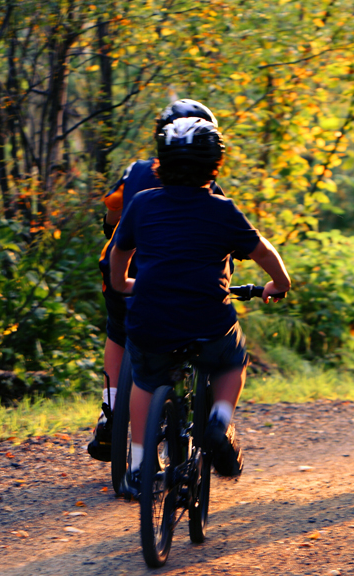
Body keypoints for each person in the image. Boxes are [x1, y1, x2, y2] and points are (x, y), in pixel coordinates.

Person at [108, 117, 291, 496]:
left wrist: (122, 283)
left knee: (146, 378)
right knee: (232, 359)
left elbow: (118, 250)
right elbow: (262, 252)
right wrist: (280, 283)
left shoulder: (141, 204)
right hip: (208, 321)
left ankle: (141, 465)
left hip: (151, 321)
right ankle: (220, 423)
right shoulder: (223, 210)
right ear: (215, 166)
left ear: (160, 163)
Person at [87, 100, 222, 462]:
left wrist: (113, 226)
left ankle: (110, 412)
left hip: (125, 276)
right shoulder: (212, 188)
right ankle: (207, 416)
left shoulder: (137, 172)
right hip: (185, 287)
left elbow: (112, 207)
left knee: (118, 333)